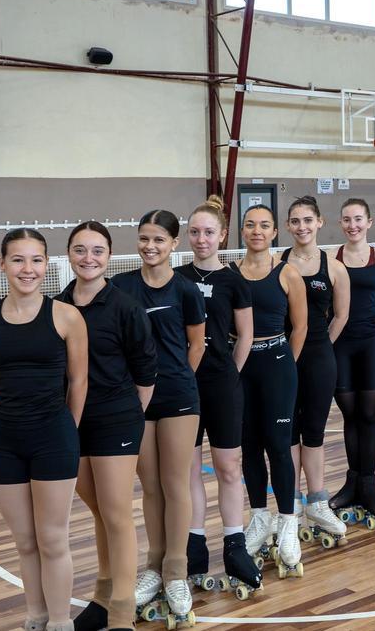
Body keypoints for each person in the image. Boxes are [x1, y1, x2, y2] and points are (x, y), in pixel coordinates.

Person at [0, 228, 88, 631]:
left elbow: (79, 382)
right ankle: (35, 617)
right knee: (24, 541)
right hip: (4, 441)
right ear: (1, 264)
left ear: (47, 265)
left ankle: (60, 622)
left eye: (36, 260)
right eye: (18, 259)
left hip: (53, 438)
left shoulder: (66, 316)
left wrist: (64, 431)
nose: (28, 269)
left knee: (53, 539)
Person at [55, 222, 156, 631]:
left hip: (117, 419)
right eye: (80, 250)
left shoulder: (125, 306)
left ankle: (120, 614)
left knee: (115, 514)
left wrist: (131, 416)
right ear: (69, 255)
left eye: (97, 251)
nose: (88, 258)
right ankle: (101, 596)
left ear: (110, 256)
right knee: (99, 512)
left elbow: (146, 373)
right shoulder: (58, 306)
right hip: (74, 422)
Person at [112, 210, 206, 627]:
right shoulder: (122, 287)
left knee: (176, 482)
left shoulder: (187, 290)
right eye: (144, 239)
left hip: (179, 396)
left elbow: (197, 345)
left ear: (174, 243)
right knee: (150, 486)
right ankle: (153, 566)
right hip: (136, 400)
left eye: (159, 240)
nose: (150, 247)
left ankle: (176, 570)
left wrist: (174, 377)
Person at [175, 195, 262, 596]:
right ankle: (194, 545)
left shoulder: (234, 281)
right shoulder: (176, 278)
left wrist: (230, 374)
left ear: (222, 234)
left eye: (208, 232)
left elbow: (245, 336)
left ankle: (234, 544)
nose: (201, 238)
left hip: (222, 384)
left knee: (228, 467)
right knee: (188, 470)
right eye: (194, 232)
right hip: (183, 387)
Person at [236, 204, 308, 580]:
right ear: (242, 230)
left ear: (275, 232)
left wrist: (285, 365)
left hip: (278, 366)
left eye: (264, 225)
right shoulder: (230, 274)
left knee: (280, 447)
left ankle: (288, 523)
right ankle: (259, 518)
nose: (257, 231)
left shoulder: (288, 274)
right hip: (242, 369)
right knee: (248, 445)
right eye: (250, 225)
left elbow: (300, 327)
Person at [281, 196, 350, 547]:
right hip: (283, 358)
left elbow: (341, 315)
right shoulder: (278, 263)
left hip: (320, 357)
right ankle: (289, 504)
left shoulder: (333, 266)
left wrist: (322, 345)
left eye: (307, 220)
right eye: (295, 221)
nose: (302, 227)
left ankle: (318, 502)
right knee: (288, 432)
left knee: (315, 432)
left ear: (319, 222)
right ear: (288, 226)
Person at [329, 198, 375, 529]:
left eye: (358, 219)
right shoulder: (332, 260)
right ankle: (352, 481)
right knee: (349, 413)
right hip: (341, 346)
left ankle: (369, 486)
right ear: (340, 223)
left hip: (371, 345)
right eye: (346, 219)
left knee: (368, 415)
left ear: (369, 222)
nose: (352, 225)